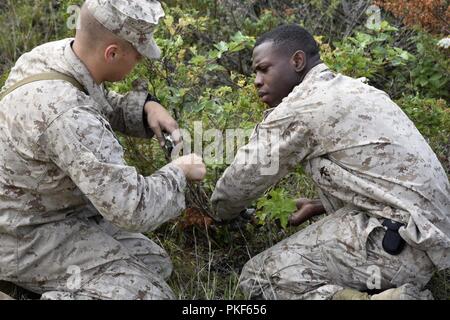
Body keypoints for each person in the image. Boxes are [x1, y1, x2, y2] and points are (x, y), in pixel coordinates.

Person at [211, 24, 450, 300]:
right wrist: (317, 206)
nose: (256, 80)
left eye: (264, 69)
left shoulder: (302, 108)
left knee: (258, 278)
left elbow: (238, 184)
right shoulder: (357, 90)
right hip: (429, 238)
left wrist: (218, 214)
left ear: (297, 61)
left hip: (400, 246)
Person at [0, 0, 206, 300]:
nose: (139, 61)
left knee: (154, 263)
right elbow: (131, 208)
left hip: (43, 212)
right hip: (22, 235)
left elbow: (93, 96)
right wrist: (179, 172)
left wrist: (144, 107)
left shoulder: (52, 56)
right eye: (137, 55)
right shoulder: (70, 117)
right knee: (150, 296)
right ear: (112, 52)